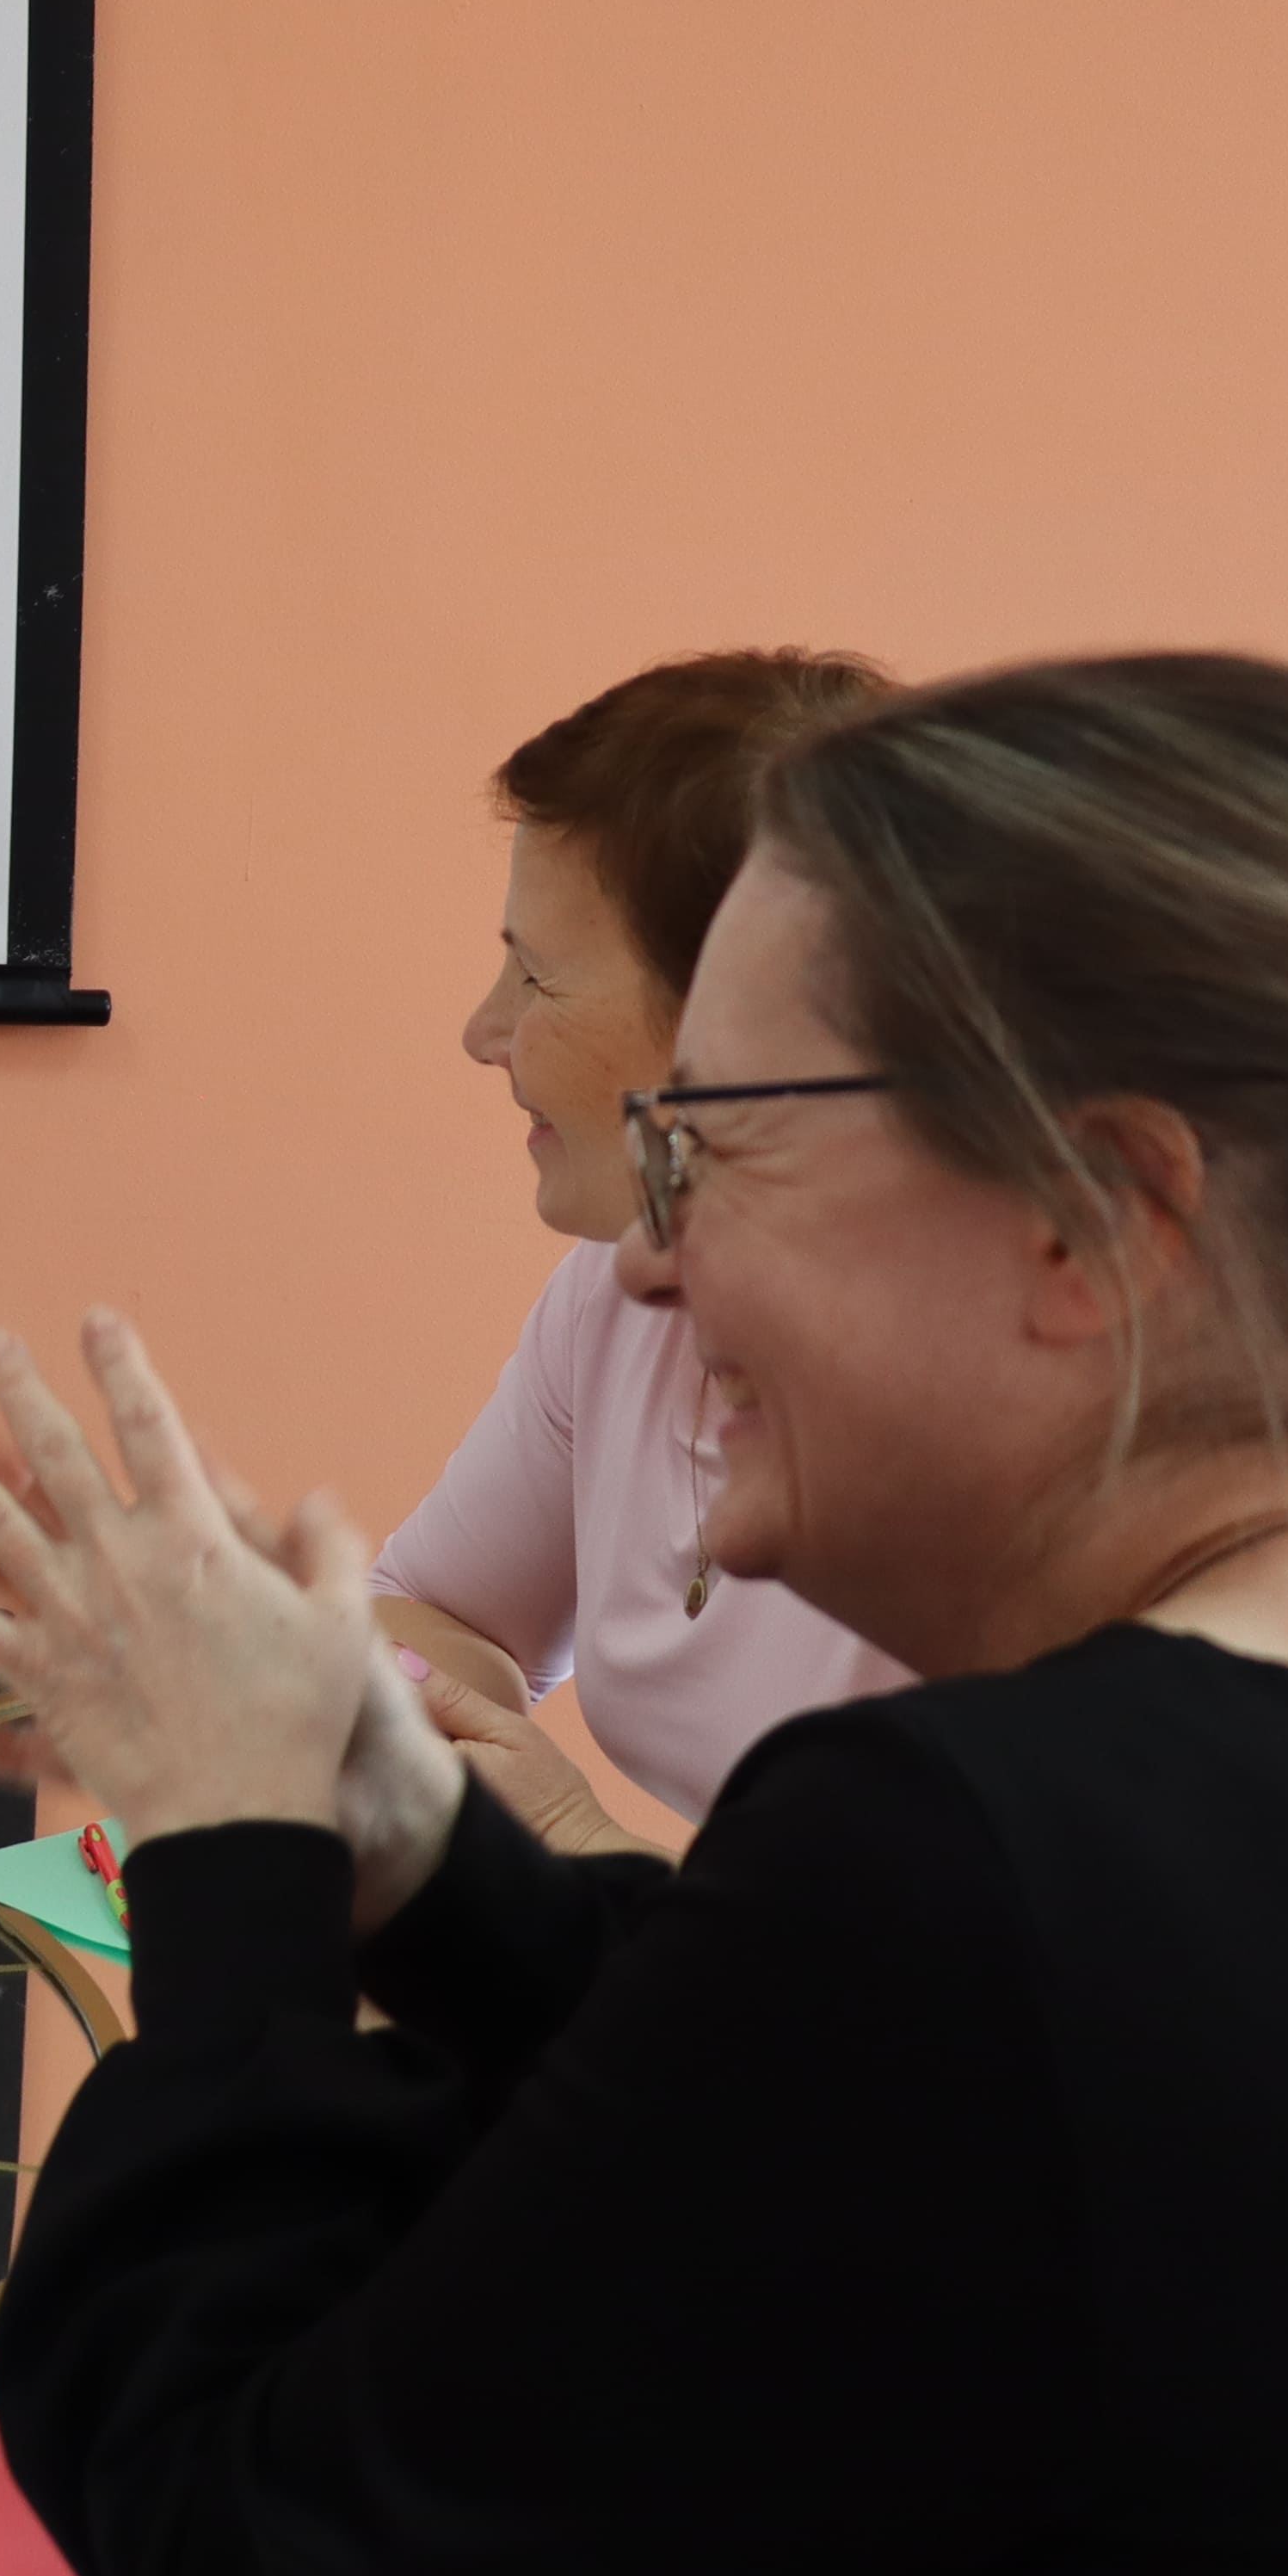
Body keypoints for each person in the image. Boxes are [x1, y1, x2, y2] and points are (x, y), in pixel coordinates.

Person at [0, 653, 1288, 2576]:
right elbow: (869, 2152)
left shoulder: (982, 1856)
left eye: (712, 1154)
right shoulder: (1190, 1840)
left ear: (1093, 1220)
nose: (652, 1263)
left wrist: (231, 1863)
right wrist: (419, 1847)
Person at [378, 653, 909, 1844]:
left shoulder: (1005, 1443)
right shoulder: (620, 1289)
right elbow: (434, 1614)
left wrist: (578, 1850)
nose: (483, 1032)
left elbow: (963, 1947)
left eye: (537, 976)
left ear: (744, 1021)